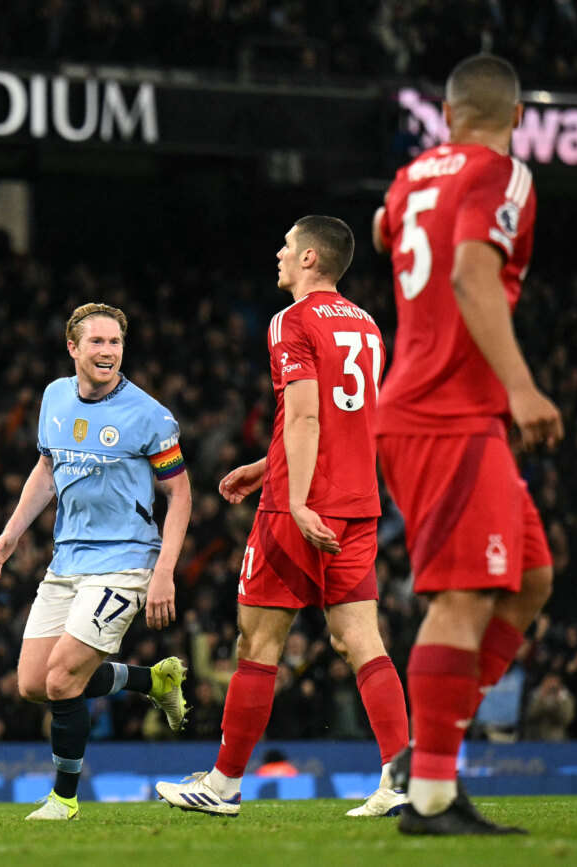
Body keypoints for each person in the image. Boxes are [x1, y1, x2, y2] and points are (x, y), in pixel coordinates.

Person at [155, 216, 410, 818]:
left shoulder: (290, 321)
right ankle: (400, 778)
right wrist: (265, 466)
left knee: (258, 642)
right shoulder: (368, 326)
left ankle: (222, 785)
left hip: (299, 508)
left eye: (288, 246)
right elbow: (344, 421)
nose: (279, 253)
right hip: (357, 501)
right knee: (360, 639)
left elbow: (304, 418)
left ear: (311, 259)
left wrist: (291, 496)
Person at [372, 54, 563, 835]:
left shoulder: (411, 174)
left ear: (446, 115)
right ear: (518, 117)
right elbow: (469, 277)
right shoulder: (505, 174)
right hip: (447, 410)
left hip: (436, 407)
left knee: (531, 579)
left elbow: (390, 235)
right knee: (463, 598)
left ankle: (428, 755)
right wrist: (522, 385)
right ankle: (431, 794)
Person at [0, 302, 193, 821]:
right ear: (72, 348)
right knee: (33, 684)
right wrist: (10, 535)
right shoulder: (53, 397)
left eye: (115, 342)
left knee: (61, 682)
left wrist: (163, 570)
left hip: (124, 562)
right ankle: (152, 681)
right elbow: (47, 469)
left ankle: (65, 798)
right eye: (96, 342)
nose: (107, 352)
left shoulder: (149, 416)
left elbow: (180, 495)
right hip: (66, 560)